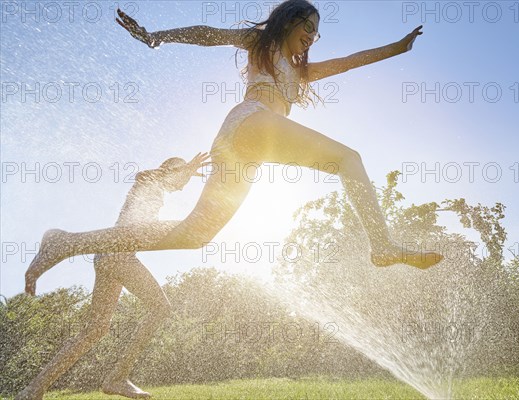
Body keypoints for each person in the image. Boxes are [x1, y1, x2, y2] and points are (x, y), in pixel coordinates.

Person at [25, 0, 443, 298]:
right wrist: (158, 37)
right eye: (308, 26)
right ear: (287, 21)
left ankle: (66, 242)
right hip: (249, 124)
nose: (312, 36)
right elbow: (209, 35)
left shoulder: (303, 72)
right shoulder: (262, 45)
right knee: (348, 159)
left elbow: (351, 60)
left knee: (193, 235)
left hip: (245, 151)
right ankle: (382, 246)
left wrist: (396, 49)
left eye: (317, 31)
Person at [16, 153, 209, 400]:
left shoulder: (157, 193)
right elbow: (144, 175)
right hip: (118, 256)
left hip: (109, 258)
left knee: (95, 329)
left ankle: (32, 390)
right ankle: (118, 377)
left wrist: (184, 172)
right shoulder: (148, 181)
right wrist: (185, 169)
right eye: (183, 176)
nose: (184, 185)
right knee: (160, 307)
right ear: (169, 169)